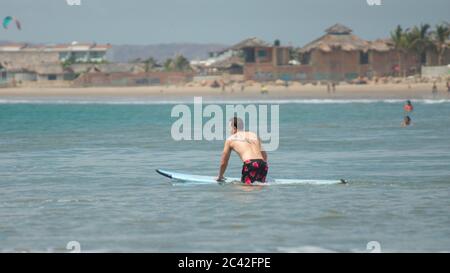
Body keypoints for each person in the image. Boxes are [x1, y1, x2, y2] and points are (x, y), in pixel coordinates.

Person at [216, 117, 268, 184]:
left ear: (234, 128)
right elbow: (264, 155)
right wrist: (259, 167)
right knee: (258, 188)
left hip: (250, 164)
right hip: (263, 164)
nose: (229, 130)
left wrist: (220, 176)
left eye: (229, 128)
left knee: (244, 191)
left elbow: (223, 162)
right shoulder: (254, 135)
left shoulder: (230, 139)